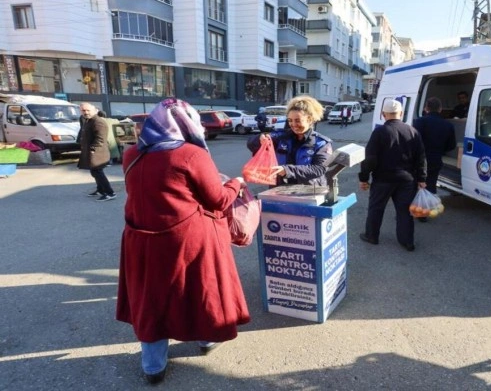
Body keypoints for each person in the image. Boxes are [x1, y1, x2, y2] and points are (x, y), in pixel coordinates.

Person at [116, 98, 250, 385]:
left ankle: (153, 366)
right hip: (185, 238)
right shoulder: (190, 154)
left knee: (151, 298)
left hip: (139, 239)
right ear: (185, 122)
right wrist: (236, 183)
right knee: (197, 288)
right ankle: (206, 338)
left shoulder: (132, 154)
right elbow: (218, 199)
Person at [358, 99, 427, 252]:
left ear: (383, 114)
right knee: (405, 211)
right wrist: (422, 179)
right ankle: (407, 242)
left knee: (376, 208)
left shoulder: (379, 132)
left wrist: (363, 178)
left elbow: (370, 159)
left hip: (383, 179)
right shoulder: (413, 132)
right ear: (401, 114)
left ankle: (372, 236)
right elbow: (421, 158)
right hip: (406, 180)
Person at [247, 95, 332, 186]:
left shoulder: (321, 143)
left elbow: (319, 169)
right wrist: (260, 138)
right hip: (279, 189)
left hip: (309, 191)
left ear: (310, 119)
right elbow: (251, 145)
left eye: (298, 120)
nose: (293, 124)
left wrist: (287, 170)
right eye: (290, 120)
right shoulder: (281, 136)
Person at [413, 97, 457, 197]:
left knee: (415, 186)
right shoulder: (448, 125)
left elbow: (412, 142)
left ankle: (414, 208)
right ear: (440, 109)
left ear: (426, 108)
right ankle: (428, 208)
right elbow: (451, 146)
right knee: (431, 186)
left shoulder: (419, 122)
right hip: (435, 160)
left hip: (418, 161)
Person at [78, 103, 116, 201]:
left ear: (95, 110)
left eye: (88, 110)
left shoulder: (98, 122)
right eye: (83, 110)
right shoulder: (88, 121)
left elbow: (100, 139)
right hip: (93, 152)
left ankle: (110, 193)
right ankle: (100, 190)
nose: (86, 112)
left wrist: (92, 150)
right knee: (94, 172)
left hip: (98, 153)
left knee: (98, 172)